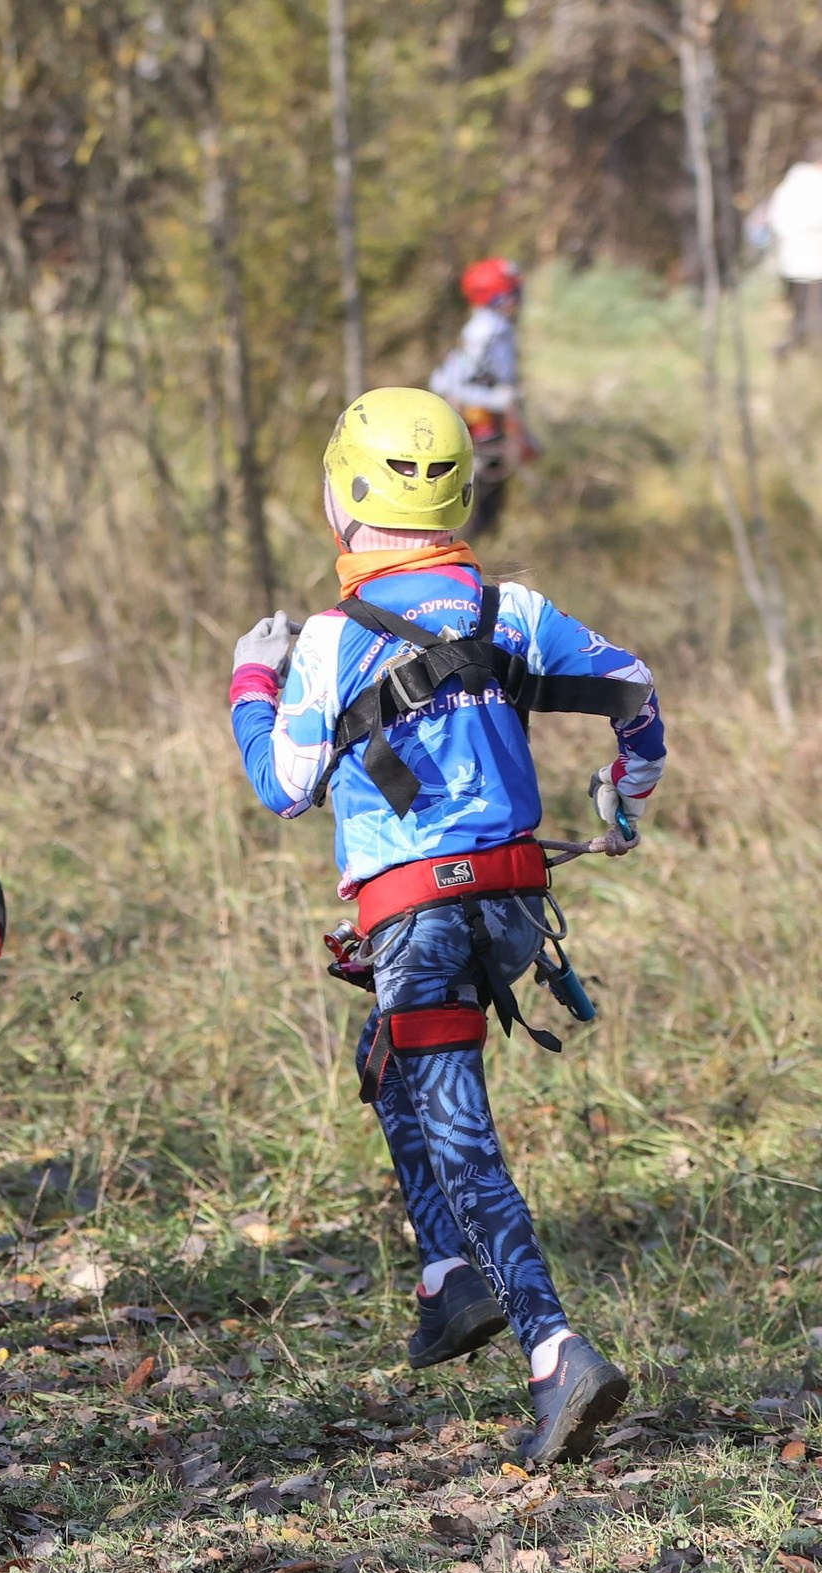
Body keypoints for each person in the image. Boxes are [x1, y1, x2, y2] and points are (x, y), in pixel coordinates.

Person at [230, 386, 664, 1466]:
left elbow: (283, 787)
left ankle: (552, 1347)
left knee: (458, 1128)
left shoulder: (328, 640)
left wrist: (251, 679)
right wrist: (627, 786)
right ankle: (446, 1278)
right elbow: (629, 686)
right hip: (511, 914)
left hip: (416, 921)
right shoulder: (508, 609)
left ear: (342, 497)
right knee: (387, 1059)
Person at [429, 257, 540, 541]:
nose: (518, 299)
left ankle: (488, 542)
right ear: (496, 296)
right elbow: (448, 383)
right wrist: (496, 400)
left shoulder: (499, 328)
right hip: (479, 428)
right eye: (513, 292)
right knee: (478, 494)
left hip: (494, 425)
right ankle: (470, 546)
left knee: (496, 491)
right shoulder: (484, 332)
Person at [754, 142, 822, 350]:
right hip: (808, 256)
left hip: (799, 257)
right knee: (808, 308)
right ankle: (799, 347)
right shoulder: (807, 183)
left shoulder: (792, 183)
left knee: (803, 306)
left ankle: (798, 345)